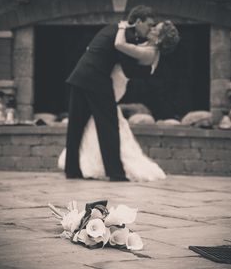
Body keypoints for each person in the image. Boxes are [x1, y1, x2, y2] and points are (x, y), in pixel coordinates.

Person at [59, 18, 180, 181]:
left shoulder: (142, 47)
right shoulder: (142, 43)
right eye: (151, 26)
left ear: (158, 39)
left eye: (154, 29)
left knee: (87, 126)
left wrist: (122, 28)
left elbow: (121, 50)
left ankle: (77, 170)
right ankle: (112, 172)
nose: (151, 29)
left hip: (96, 80)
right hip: (99, 82)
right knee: (106, 126)